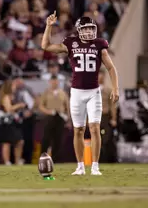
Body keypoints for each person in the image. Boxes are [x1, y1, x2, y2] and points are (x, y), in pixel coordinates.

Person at [41, 13, 119, 175]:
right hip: (76, 92)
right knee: (78, 130)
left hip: (94, 92)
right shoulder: (71, 43)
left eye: (92, 28)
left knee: (95, 128)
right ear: (79, 30)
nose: (90, 31)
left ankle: (95, 166)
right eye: (86, 28)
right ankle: (80, 166)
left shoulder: (99, 44)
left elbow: (111, 68)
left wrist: (115, 88)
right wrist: (49, 26)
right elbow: (46, 46)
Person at [39, 75, 70, 163]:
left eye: (56, 81)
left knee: (58, 139)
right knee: (46, 139)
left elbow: (67, 106)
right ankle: (43, 159)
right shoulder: (46, 92)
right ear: (50, 82)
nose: (54, 83)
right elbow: (41, 106)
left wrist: (68, 118)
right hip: (49, 117)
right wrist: (48, 111)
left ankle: (56, 160)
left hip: (60, 117)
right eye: (52, 81)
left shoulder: (63, 93)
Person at [0, 80, 26, 165]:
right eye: (13, 86)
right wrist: (19, 105)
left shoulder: (13, 96)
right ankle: (7, 161)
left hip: (13, 122)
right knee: (7, 142)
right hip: (6, 123)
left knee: (19, 141)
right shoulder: (6, 97)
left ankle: (18, 160)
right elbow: (8, 109)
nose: (15, 87)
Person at [98, 68, 118, 163]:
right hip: (95, 117)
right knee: (96, 138)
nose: (100, 77)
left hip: (105, 117)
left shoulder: (108, 90)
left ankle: (106, 159)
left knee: (106, 139)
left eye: (101, 75)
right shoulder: (92, 90)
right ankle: (97, 160)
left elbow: (112, 106)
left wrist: (114, 118)